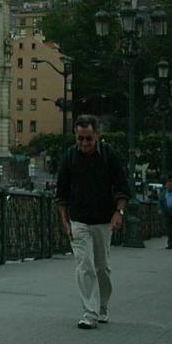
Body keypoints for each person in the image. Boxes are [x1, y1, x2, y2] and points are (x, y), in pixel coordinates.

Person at [56, 114, 129, 330]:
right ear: (75, 136)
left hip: (103, 220)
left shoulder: (110, 156)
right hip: (79, 220)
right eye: (80, 139)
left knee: (102, 268)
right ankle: (89, 312)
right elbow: (61, 195)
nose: (84, 143)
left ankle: (103, 307)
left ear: (96, 135)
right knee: (84, 266)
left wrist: (119, 213)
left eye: (88, 138)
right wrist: (65, 222)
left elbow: (122, 187)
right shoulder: (69, 158)